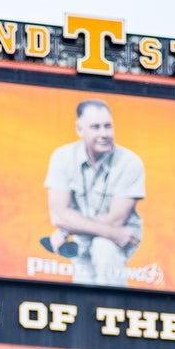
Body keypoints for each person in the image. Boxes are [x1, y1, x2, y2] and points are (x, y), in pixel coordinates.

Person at [41, 100, 146, 286]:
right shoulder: (62, 157)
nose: (104, 134)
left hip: (121, 239)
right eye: (96, 127)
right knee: (83, 286)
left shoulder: (130, 162)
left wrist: (67, 228)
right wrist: (65, 228)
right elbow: (58, 215)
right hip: (93, 235)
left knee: (103, 247)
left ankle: (114, 310)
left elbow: (116, 220)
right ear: (79, 129)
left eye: (108, 126)